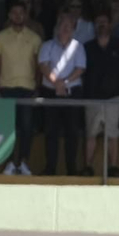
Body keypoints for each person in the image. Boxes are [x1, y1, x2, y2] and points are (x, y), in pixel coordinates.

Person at [0, 2, 43, 176]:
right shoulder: (0, 37)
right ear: (9, 15)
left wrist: (38, 87)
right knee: (7, 128)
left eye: (21, 12)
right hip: (6, 88)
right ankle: (11, 163)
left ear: (26, 15)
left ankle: (24, 162)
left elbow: (38, 66)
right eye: (14, 12)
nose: (18, 16)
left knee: (27, 127)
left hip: (28, 88)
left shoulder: (35, 38)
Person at [37, 14, 86, 177]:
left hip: (71, 92)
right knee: (51, 131)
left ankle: (71, 169)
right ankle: (50, 168)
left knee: (72, 132)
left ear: (73, 29)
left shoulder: (78, 47)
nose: (66, 28)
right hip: (51, 92)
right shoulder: (47, 45)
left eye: (69, 26)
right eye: (63, 25)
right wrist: (56, 83)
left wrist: (63, 83)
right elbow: (43, 66)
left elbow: (80, 68)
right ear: (57, 28)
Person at [83, 10, 119, 178]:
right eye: (98, 22)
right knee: (91, 134)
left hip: (114, 97)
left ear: (110, 25)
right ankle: (87, 166)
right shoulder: (87, 48)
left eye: (104, 21)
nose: (101, 25)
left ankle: (113, 167)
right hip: (92, 97)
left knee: (113, 134)